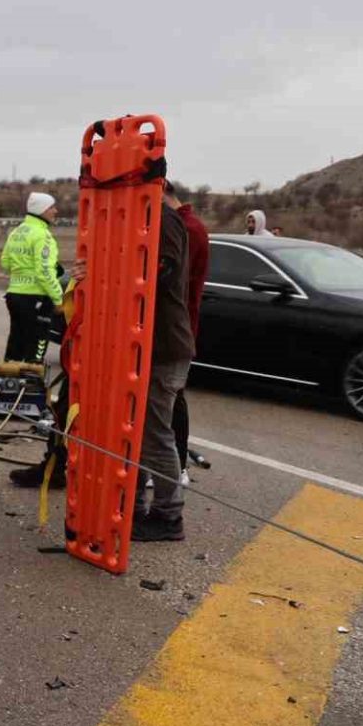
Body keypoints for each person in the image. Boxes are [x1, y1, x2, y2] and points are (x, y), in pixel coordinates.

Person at [132, 192, 195, 543]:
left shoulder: (165, 219)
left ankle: (169, 515)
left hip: (165, 347)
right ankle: (137, 507)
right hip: (151, 346)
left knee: (155, 435)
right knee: (140, 434)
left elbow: (162, 271)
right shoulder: (149, 217)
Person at [167, 184, 209, 486]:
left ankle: (177, 465)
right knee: (166, 399)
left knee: (172, 397)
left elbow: (174, 283)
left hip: (176, 328)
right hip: (175, 326)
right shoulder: (182, 225)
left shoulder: (187, 229)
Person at [0, 192, 64, 363]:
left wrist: (22, 270)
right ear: (41, 209)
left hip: (14, 295)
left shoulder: (16, 232)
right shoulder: (42, 235)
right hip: (36, 298)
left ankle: (8, 376)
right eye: (52, 207)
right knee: (35, 351)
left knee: (16, 343)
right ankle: (30, 377)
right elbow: (45, 271)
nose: (55, 211)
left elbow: (5, 262)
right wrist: (58, 299)